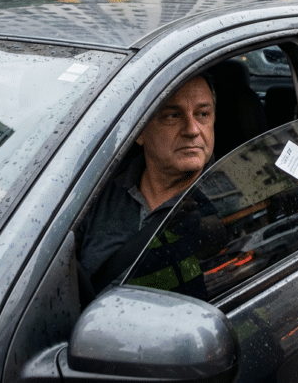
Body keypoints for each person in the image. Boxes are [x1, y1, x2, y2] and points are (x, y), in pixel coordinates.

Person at [77, 75, 219, 298]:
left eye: (203, 114)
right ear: (140, 132)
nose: (192, 129)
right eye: (173, 115)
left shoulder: (227, 202)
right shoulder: (95, 191)